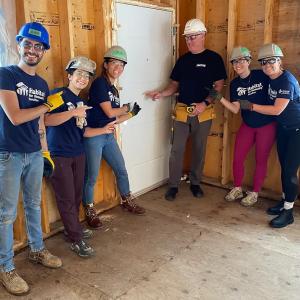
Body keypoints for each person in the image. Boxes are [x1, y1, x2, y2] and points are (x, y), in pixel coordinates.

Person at [0, 22, 64, 296]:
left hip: (34, 154)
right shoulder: (5, 74)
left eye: (39, 46)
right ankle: (6, 267)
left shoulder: (41, 83)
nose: (33, 50)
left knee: (33, 205)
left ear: (44, 51)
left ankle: (37, 250)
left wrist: (45, 151)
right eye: (28, 44)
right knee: (6, 215)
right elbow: (15, 117)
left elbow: (39, 123)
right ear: (19, 45)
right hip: (9, 155)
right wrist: (48, 105)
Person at [145, 18, 227, 201]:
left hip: (204, 112)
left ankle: (195, 183)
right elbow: (174, 84)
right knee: (177, 149)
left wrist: (204, 103)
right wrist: (162, 94)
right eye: (187, 38)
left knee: (199, 149)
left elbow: (219, 86)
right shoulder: (183, 61)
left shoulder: (214, 59)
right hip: (182, 110)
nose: (189, 41)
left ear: (204, 35)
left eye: (193, 36)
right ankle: (173, 185)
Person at [45, 56, 115, 257]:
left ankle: (71, 229)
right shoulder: (57, 95)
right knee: (66, 197)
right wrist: (73, 112)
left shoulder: (81, 101)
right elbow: (46, 120)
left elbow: (83, 132)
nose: (83, 79)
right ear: (70, 76)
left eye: (87, 76)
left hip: (78, 153)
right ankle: (76, 239)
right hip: (59, 155)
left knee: (75, 196)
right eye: (79, 74)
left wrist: (103, 129)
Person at [238, 43, 300, 228]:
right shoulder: (272, 79)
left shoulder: (286, 81)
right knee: (284, 167)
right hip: (284, 128)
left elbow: (277, 109)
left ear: (280, 61)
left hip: (297, 130)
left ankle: (289, 212)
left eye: (271, 61)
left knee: (289, 172)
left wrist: (250, 105)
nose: (267, 65)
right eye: (263, 62)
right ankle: (284, 202)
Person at [83, 45, 145, 229]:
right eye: (114, 64)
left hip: (108, 135)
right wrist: (127, 107)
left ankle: (127, 199)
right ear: (106, 64)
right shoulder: (99, 84)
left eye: (121, 65)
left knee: (121, 169)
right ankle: (89, 209)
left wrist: (132, 114)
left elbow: (114, 118)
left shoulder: (114, 90)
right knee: (91, 176)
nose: (118, 68)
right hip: (94, 135)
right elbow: (109, 110)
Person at [209, 47, 276, 206]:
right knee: (237, 157)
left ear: (248, 61)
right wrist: (219, 97)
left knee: (261, 159)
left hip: (266, 125)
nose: (237, 64)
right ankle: (237, 187)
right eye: (234, 62)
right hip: (248, 124)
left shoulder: (261, 76)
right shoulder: (235, 84)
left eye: (241, 60)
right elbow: (235, 109)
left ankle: (254, 193)